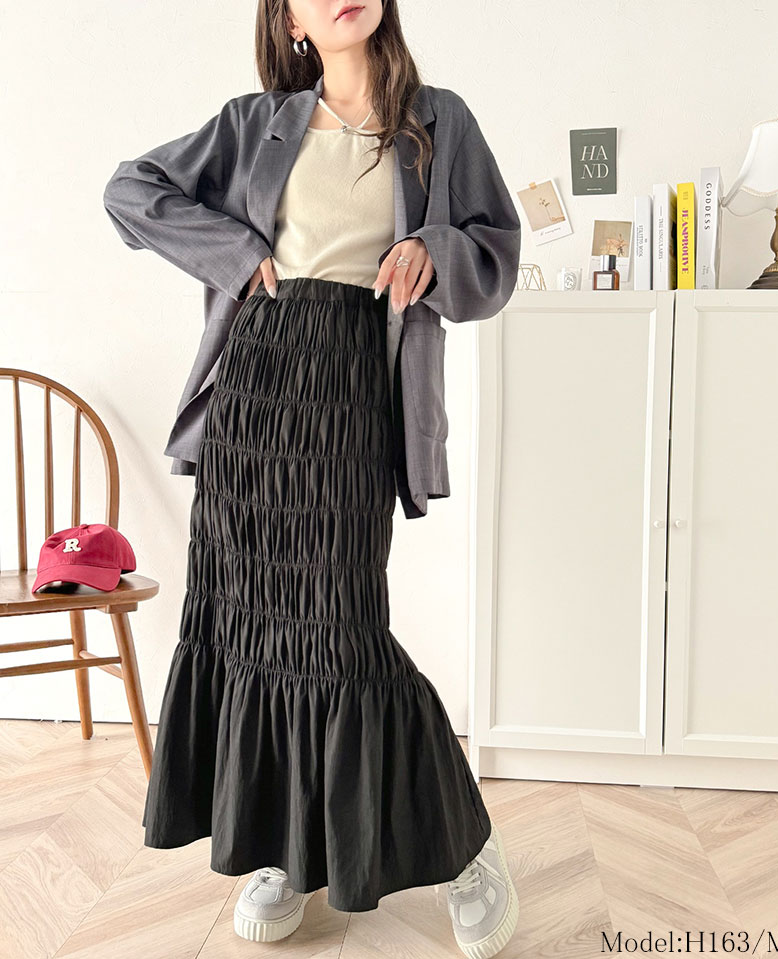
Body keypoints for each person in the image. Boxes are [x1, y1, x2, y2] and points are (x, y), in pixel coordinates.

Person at [103, 1, 520, 956]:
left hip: (352, 386)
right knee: (248, 620)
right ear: (288, 19)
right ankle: (281, 849)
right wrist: (236, 250)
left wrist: (435, 251)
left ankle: (464, 848)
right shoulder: (256, 123)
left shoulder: (438, 122)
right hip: (255, 388)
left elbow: (496, 249)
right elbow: (130, 190)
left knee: (343, 630)